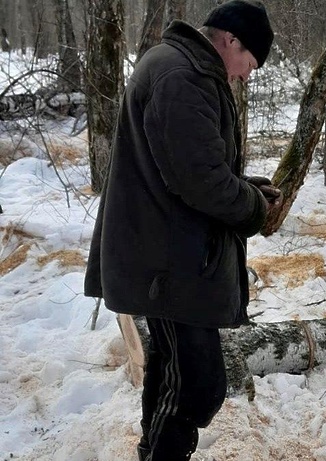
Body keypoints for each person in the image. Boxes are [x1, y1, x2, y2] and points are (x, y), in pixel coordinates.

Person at [84, 2, 278, 460]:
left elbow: (181, 166)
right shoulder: (183, 77)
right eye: (250, 63)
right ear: (231, 39)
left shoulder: (181, 66)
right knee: (197, 385)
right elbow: (200, 180)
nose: (246, 75)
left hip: (168, 253)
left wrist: (247, 187)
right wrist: (254, 209)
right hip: (169, 262)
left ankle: (152, 451)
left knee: (174, 372)